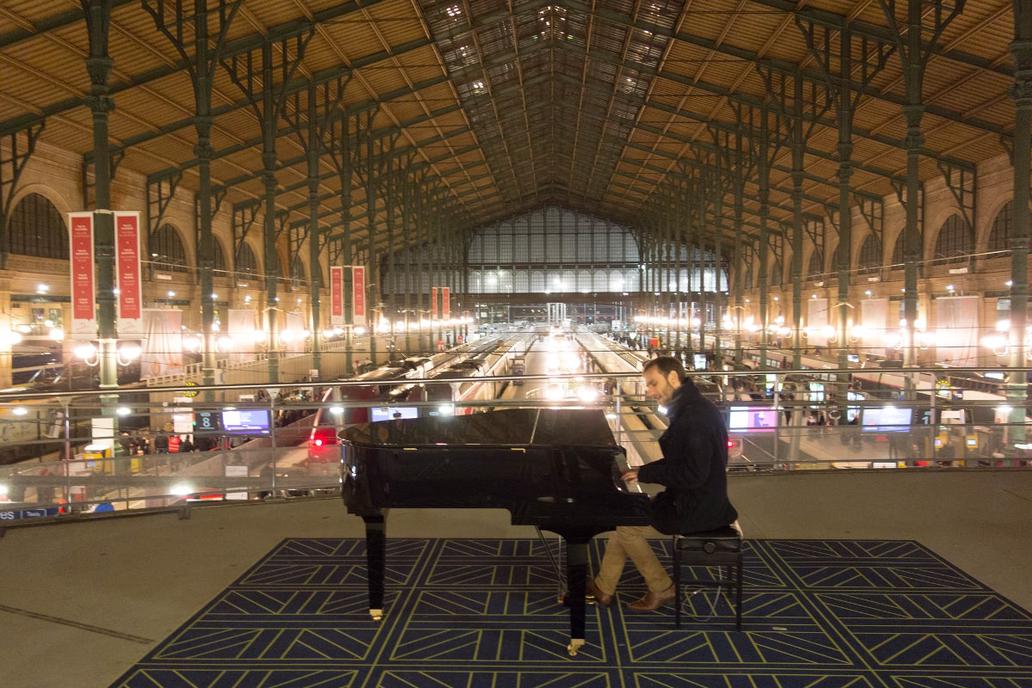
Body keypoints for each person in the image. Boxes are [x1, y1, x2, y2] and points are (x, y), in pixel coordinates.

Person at [586, 356, 739, 611]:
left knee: (627, 526)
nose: (650, 392)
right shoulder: (695, 408)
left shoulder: (693, 418)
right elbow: (685, 465)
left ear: (673, 378)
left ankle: (661, 588)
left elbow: (692, 475)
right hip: (699, 500)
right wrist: (641, 471)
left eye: (653, 384)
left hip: (697, 509)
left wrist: (645, 474)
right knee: (626, 520)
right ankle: (603, 589)